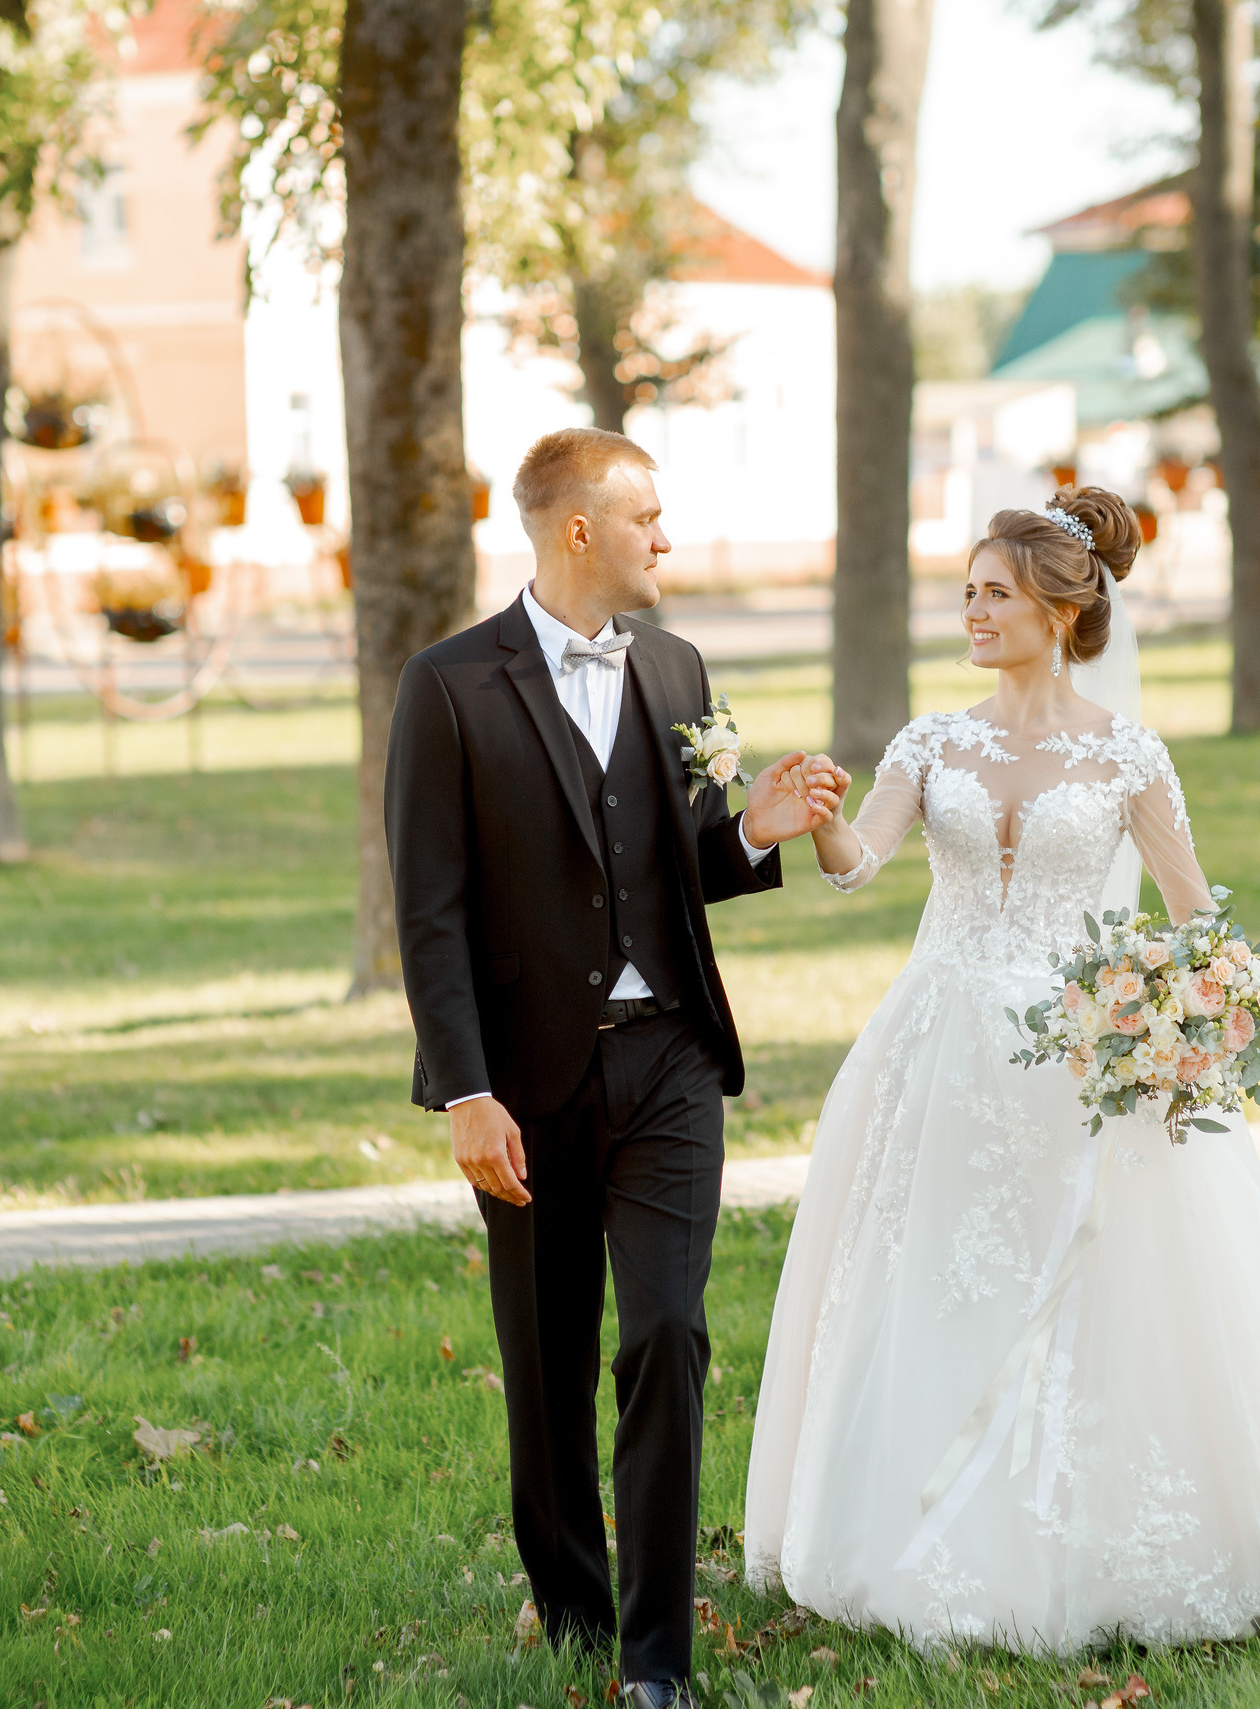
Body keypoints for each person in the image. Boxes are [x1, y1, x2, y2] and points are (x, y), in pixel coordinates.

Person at [742, 488, 1260, 1649]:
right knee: (945, 1276)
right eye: (967, 591)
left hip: (1081, 1056)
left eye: (994, 593)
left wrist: (1190, 1017)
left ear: (1059, 610)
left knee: (1094, 1287)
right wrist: (815, 818)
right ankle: (922, 1525)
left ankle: (1095, 1531)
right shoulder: (929, 742)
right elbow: (858, 863)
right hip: (940, 1051)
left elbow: (1192, 909)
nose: (972, 610)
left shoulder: (1126, 753)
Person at [386, 427, 842, 1708]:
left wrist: (751, 833)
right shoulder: (447, 686)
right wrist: (466, 1090)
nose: (666, 539)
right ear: (579, 528)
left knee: (667, 1331)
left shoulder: (679, 666)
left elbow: (677, 866)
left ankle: (655, 1660)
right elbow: (430, 910)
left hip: (671, 1060)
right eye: (649, 517)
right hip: (524, 1083)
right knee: (546, 1362)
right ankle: (576, 1618)